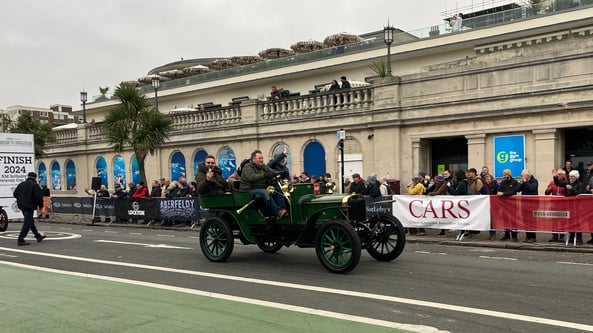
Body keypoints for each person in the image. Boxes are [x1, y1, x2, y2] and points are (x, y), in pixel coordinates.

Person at [239, 149, 288, 219]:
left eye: (262, 158)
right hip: (248, 190)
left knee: (276, 189)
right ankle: (278, 211)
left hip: (260, 188)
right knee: (263, 192)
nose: (261, 160)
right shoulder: (247, 167)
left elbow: (271, 171)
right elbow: (251, 177)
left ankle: (282, 211)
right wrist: (265, 175)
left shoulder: (263, 166)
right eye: (259, 158)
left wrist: (280, 173)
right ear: (253, 159)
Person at [13, 172, 45, 246]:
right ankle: (21, 239)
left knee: (30, 221)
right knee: (27, 222)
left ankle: (38, 236)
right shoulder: (35, 185)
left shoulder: (21, 184)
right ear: (35, 178)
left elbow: (15, 193)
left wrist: (21, 199)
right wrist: (40, 206)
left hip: (22, 205)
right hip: (29, 206)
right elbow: (38, 197)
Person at [554, 169, 585, 245]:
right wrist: (555, 177)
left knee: (577, 223)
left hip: (576, 206)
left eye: (572, 177)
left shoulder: (580, 184)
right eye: (570, 176)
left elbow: (579, 194)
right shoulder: (567, 183)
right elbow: (558, 183)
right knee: (570, 222)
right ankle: (571, 238)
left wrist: (572, 189)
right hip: (568, 205)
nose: (570, 178)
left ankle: (579, 239)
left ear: (576, 177)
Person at [497, 169, 520, 241]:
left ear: (509, 175)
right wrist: (501, 193)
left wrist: (504, 194)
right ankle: (506, 235)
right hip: (504, 204)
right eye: (503, 174)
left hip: (513, 204)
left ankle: (514, 236)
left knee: (513, 220)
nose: (504, 176)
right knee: (505, 219)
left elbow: (513, 191)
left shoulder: (514, 182)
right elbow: (499, 191)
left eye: (505, 174)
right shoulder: (502, 182)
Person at [545, 169, 566, 242]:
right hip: (554, 203)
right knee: (554, 220)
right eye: (557, 174)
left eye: (560, 174)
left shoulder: (565, 182)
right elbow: (546, 193)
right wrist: (548, 189)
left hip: (563, 204)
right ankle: (554, 235)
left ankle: (562, 235)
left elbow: (568, 192)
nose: (558, 176)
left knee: (562, 220)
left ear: (563, 175)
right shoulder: (552, 182)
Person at [518, 169, 539, 243]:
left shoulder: (534, 181)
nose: (521, 176)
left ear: (527, 176)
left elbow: (531, 188)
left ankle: (533, 237)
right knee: (525, 221)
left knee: (532, 221)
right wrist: (521, 183)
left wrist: (525, 182)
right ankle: (527, 236)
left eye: (522, 175)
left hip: (532, 205)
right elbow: (518, 190)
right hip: (524, 204)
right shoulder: (523, 182)